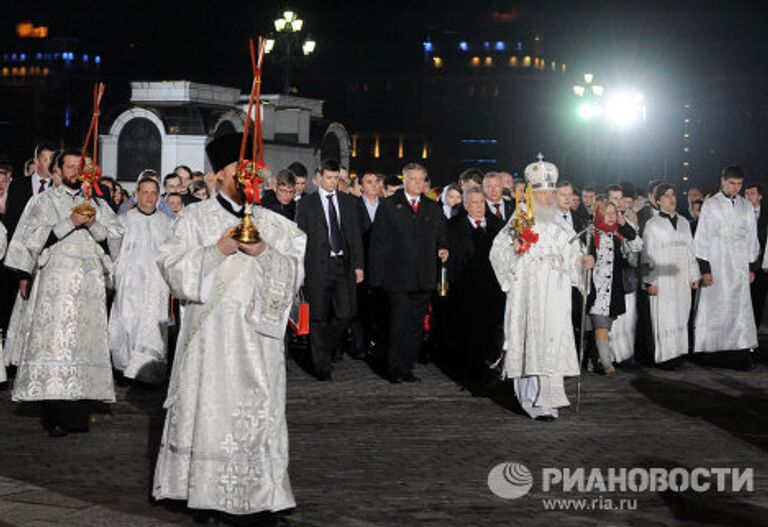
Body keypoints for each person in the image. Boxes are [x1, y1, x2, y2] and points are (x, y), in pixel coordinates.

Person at [152, 133, 306, 520]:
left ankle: (259, 493)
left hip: (258, 341)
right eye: (241, 169)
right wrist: (216, 250)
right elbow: (171, 268)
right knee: (209, 409)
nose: (248, 176)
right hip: (210, 339)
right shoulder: (193, 218)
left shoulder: (277, 225)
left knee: (257, 411)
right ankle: (198, 489)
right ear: (218, 176)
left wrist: (265, 253)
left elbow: (295, 277)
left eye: (254, 169)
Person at [4, 148, 123, 436]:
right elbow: (28, 239)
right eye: (69, 166)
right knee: (55, 345)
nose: (74, 172)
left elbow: (117, 239)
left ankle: (77, 415)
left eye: (78, 167)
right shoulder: (43, 202)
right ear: (58, 170)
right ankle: (54, 417)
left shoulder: (97, 204)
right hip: (54, 288)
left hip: (89, 288)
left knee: (82, 345)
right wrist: (69, 222)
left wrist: (92, 223)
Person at [490, 156, 594, 420]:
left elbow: (573, 255)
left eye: (551, 193)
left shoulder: (562, 225)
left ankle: (551, 401)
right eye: (542, 194)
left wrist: (583, 261)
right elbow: (497, 252)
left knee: (553, 341)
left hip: (557, 295)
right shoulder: (521, 220)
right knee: (531, 341)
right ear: (532, 195)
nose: (547, 198)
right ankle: (530, 400)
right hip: (529, 293)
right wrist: (514, 252)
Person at [369, 162, 449, 383]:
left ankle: (406, 367)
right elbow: (378, 243)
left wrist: (443, 247)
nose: (416, 183)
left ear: (425, 182)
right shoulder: (388, 205)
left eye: (420, 179)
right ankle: (393, 368)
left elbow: (441, 234)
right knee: (397, 324)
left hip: (424, 278)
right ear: (404, 180)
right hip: (397, 279)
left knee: (415, 326)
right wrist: (375, 278)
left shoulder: (433, 208)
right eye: (412, 179)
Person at [296, 159, 364, 380]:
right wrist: (300, 269)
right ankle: (321, 366)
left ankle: (322, 346)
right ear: (318, 178)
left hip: (342, 266)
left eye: (337, 178)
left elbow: (355, 236)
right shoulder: (306, 204)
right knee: (318, 316)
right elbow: (300, 239)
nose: (333, 182)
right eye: (329, 178)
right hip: (316, 267)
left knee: (347, 312)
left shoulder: (348, 202)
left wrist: (359, 265)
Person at [109, 176, 172, 383]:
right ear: (136, 196)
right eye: (144, 192)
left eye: (153, 192)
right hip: (130, 281)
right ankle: (125, 367)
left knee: (152, 324)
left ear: (159, 196)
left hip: (157, 283)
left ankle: (148, 372)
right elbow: (115, 252)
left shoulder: (167, 222)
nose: (149, 197)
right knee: (128, 321)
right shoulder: (124, 220)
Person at [694, 166, 758, 368]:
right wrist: (705, 268)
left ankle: (739, 352)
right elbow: (702, 236)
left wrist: (751, 266)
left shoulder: (746, 206)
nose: (735, 188)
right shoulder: (711, 205)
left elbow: (752, 236)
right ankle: (712, 352)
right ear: (723, 181)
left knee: (739, 308)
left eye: (739, 184)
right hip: (717, 261)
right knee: (716, 306)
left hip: (739, 263)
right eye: (732, 183)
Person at [444, 187, 505, 369]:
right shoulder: (453, 226)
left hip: (493, 286)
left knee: (491, 324)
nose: (479, 207)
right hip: (464, 286)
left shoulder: (498, 225)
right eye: (474, 203)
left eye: (481, 203)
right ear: (465, 205)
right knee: (468, 325)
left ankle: (490, 355)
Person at [642, 183, 700, 367]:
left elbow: (691, 250)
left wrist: (693, 275)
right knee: (664, 316)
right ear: (658, 201)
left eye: (673, 194)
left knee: (681, 314)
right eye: (666, 195)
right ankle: (665, 356)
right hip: (663, 280)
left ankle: (678, 353)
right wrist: (650, 281)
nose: (671, 198)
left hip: (682, 278)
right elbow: (647, 255)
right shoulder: (652, 225)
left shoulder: (683, 222)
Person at [587, 200, 642, 374]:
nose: (611, 217)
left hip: (614, 290)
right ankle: (606, 363)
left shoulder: (619, 234)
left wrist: (625, 225)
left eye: (614, 213)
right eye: (607, 213)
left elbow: (638, 245)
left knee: (604, 326)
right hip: (596, 290)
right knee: (601, 326)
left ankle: (593, 360)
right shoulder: (591, 233)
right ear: (599, 215)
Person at [746, 183, 768, 328]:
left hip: (762, 266)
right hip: (743, 265)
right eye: (746, 193)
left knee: (758, 301)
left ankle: (753, 336)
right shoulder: (739, 215)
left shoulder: (765, 216)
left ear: (760, 196)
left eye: (752, 193)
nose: (748, 196)